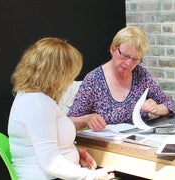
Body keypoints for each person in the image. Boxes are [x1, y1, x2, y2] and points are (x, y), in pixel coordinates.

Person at [8, 37, 114, 179]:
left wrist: (75, 152)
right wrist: (91, 176)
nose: (70, 81)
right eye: (69, 75)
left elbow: (42, 144)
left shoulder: (29, 97)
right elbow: (51, 163)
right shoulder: (38, 104)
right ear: (55, 75)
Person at [67, 26, 175, 131]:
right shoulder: (93, 80)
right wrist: (86, 120)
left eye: (135, 59)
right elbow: (69, 122)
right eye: (125, 56)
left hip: (140, 140)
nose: (129, 63)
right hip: (107, 145)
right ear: (113, 49)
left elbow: (170, 105)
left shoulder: (141, 74)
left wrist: (157, 109)